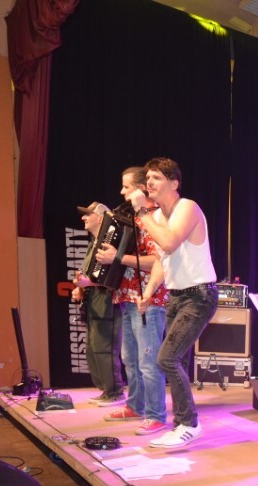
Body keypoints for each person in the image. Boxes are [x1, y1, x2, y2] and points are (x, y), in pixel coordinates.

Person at [134, 157, 218, 450]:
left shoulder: (187, 207)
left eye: (156, 177)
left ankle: (189, 424)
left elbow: (170, 242)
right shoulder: (157, 217)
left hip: (199, 295)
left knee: (166, 359)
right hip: (177, 295)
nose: (149, 183)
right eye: (147, 178)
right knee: (174, 360)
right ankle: (181, 424)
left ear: (173, 183)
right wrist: (149, 292)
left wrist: (142, 212)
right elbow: (162, 258)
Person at [97, 167, 170, 435]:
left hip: (148, 299)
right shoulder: (132, 218)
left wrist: (117, 258)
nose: (122, 192)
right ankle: (136, 405)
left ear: (140, 189)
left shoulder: (155, 218)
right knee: (130, 358)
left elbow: (158, 261)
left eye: (126, 187)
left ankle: (156, 415)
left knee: (148, 361)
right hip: (127, 297)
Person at [72, 202, 124, 405]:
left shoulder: (109, 245)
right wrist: (81, 288)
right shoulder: (93, 243)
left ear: (101, 218)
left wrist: (88, 283)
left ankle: (115, 392)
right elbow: (90, 275)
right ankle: (106, 391)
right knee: (93, 349)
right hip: (93, 302)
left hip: (106, 303)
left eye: (88, 215)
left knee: (104, 349)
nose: (83, 218)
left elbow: (114, 277)